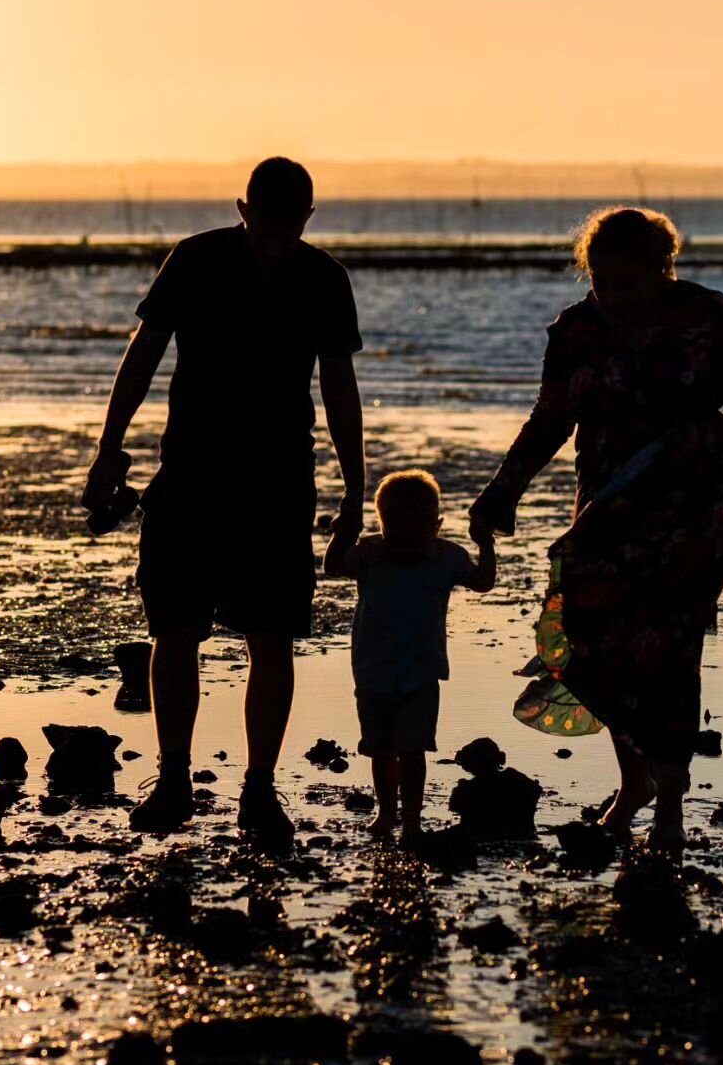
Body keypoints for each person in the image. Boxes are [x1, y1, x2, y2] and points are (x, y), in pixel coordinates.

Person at [468, 205, 723, 855]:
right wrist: (502, 491)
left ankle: (671, 807)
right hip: (609, 500)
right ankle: (636, 783)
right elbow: (549, 421)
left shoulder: (709, 319)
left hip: (696, 501)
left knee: (670, 647)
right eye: (600, 282)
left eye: (626, 283)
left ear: (664, 270)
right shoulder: (575, 332)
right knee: (586, 636)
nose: (612, 297)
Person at [82, 157, 366, 843]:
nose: (275, 239)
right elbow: (144, 353)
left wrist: (356, 491)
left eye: (289, 226)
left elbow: (338, 388)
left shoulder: (323, 279)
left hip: (278, 482)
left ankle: (259, 789)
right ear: (244, 211)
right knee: (174, 628)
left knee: (271, 636)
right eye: (266, 224)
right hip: (189, 473)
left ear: (306, 219)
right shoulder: (196, 260)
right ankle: (173, 778)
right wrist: (109, 448)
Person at [325, 469, 496, 841]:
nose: (404, 541)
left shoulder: (446, 556)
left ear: (436, 526)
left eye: (414, 531)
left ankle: (413, 820)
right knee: (380, 748)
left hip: (422, 670)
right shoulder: (370, 552)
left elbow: (482, 582)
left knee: (413, 747)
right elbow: (334, 565)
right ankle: (387, 813)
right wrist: (343, 533)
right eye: (395, 530)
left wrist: (486, 543)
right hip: (373, 670)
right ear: (381, 524)